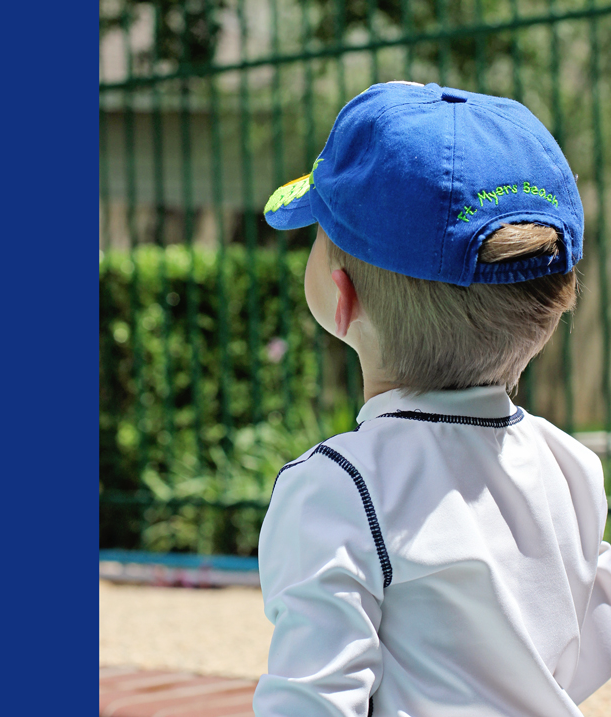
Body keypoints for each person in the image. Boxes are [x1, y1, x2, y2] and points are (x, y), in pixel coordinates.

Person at [254, 81, 611, 716]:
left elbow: (310, 701)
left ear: (342, 297)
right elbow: (573, 656)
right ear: (550, 314)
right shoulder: (571, 467)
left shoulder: (340, 487)